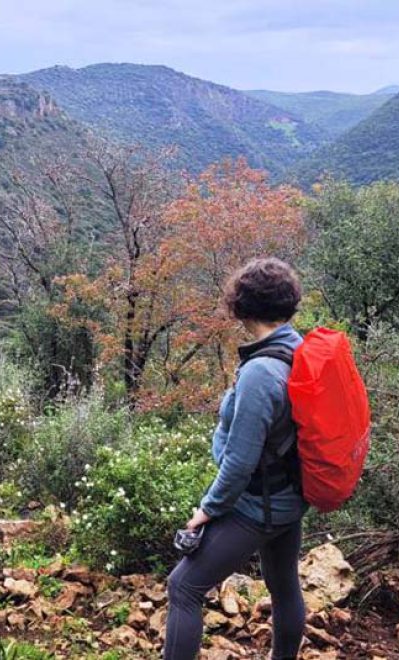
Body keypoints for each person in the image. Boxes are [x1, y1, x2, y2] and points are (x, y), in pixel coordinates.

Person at [164, 257, 307, 660]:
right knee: (283, 585)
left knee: (184, 588)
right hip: (288, 497)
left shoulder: (262, 371)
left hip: (257, 504)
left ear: (241, 306)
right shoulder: (296, 346)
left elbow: (240, 463)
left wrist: (206, 511)